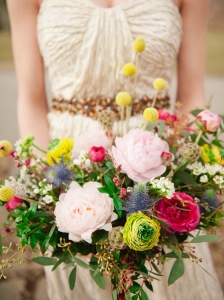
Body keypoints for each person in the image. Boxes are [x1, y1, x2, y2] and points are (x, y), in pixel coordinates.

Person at [6, 0, 223, 299]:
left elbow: (190, 94)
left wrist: (178, 179)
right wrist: (51, 189)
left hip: (157, 169)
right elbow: (31, 100)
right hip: (69, 174)